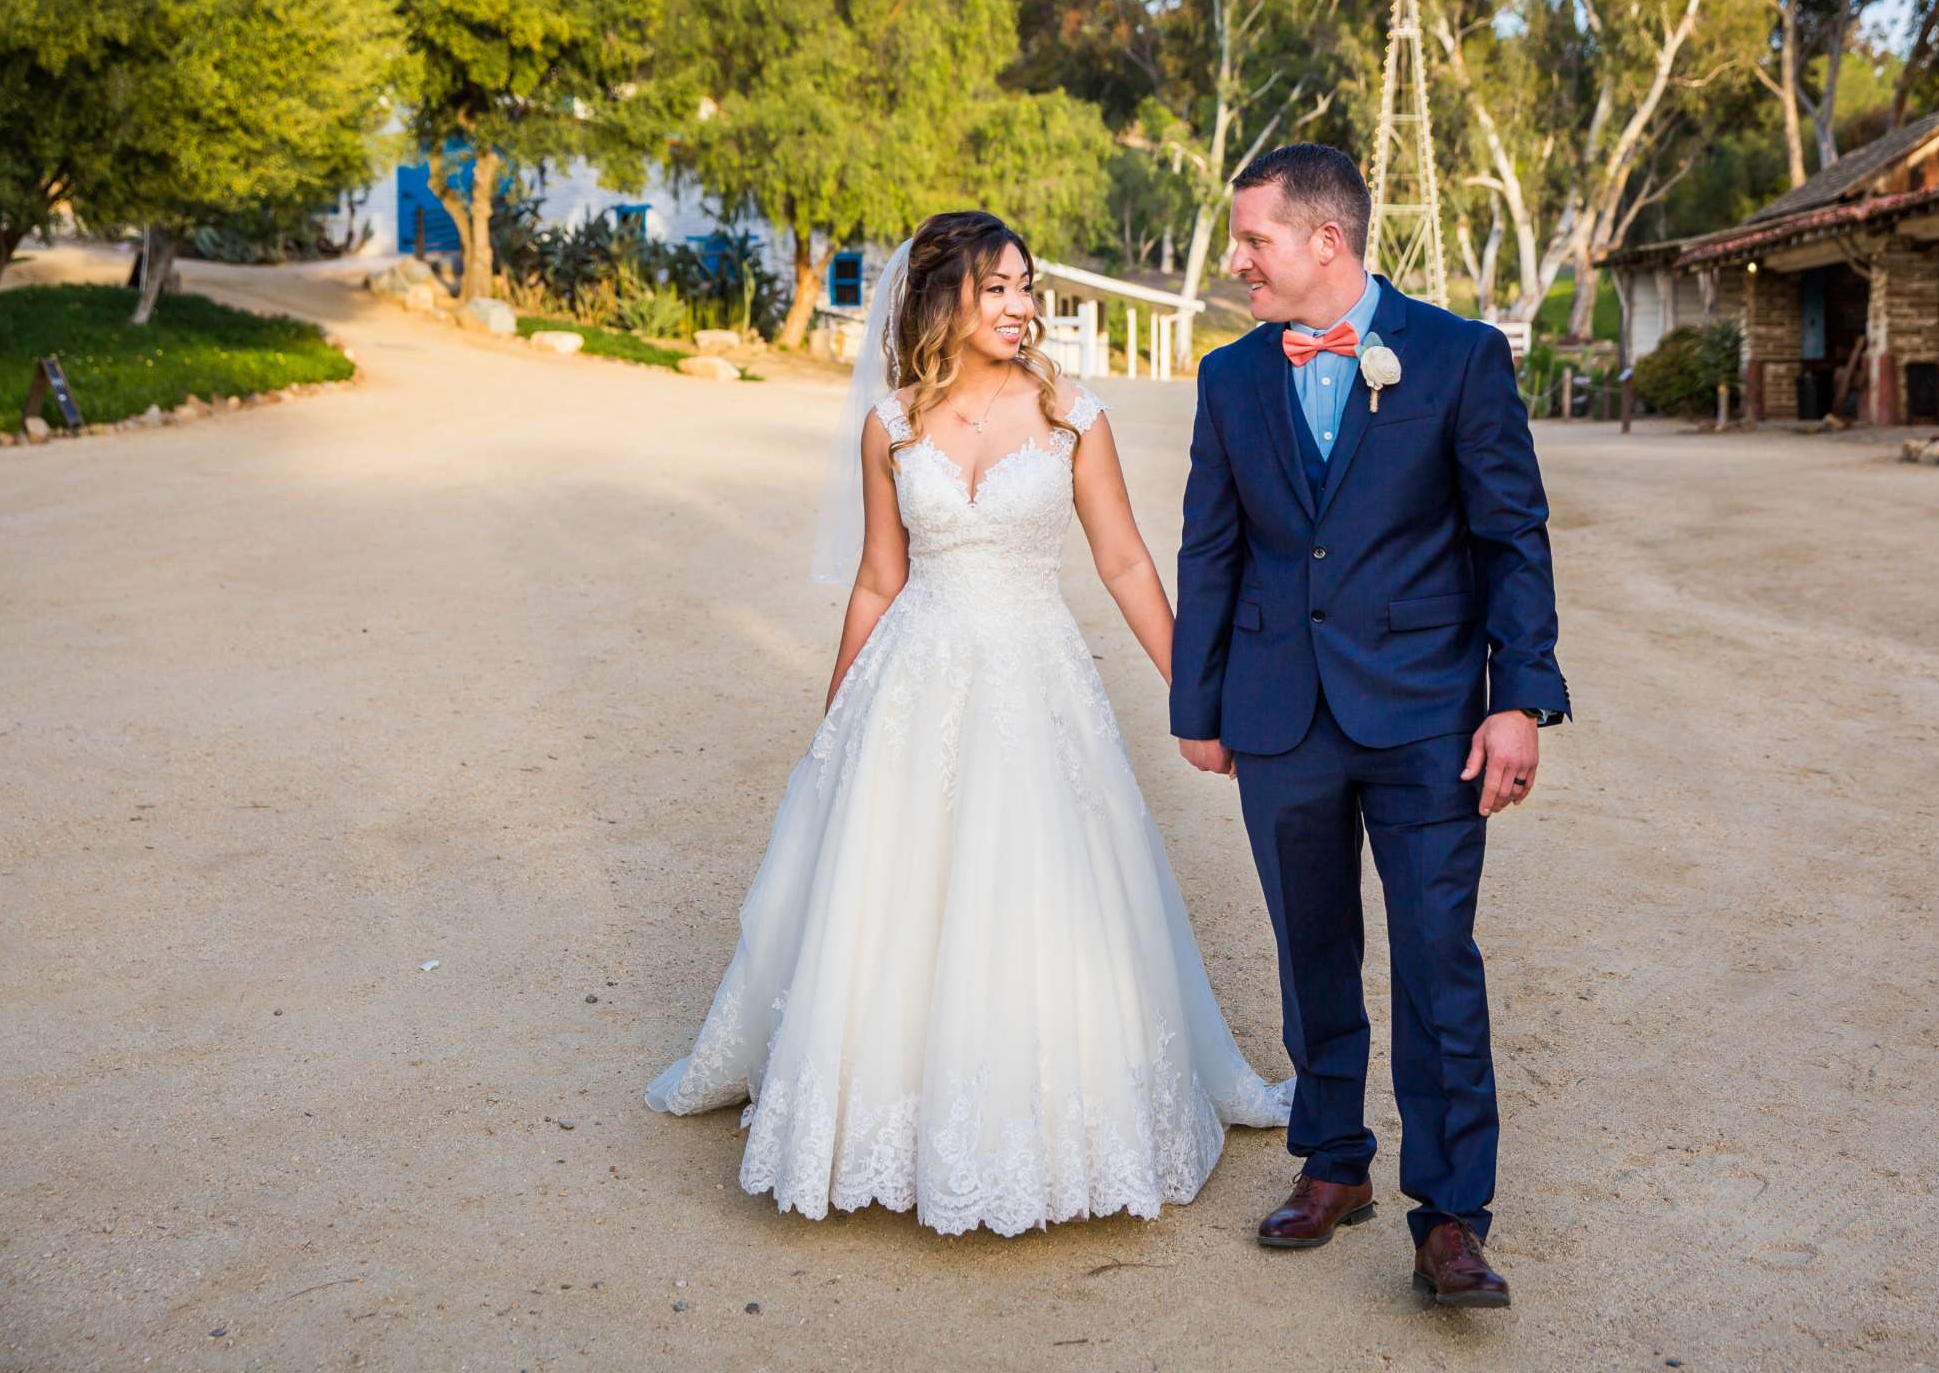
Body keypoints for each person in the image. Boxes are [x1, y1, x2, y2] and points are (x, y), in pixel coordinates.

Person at [647, 209, 1290, 1237]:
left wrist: (1194, 694)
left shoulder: (1076, 415)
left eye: (1026, 287)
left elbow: (1125, 564)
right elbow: (877, 578)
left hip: (1038, 686)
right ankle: (880, 1124)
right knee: (893, 899)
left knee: (1041, 889)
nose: (1020, 306)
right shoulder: (891, 424)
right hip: (916, 683)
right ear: (942, 297)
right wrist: (838, 717)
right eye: (997, 287)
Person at [1170, 144, 1570, 1307]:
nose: (1237, 261)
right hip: (1281, 712)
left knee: (1439, 956)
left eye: (1253, 241)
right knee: (1311, 946)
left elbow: (1514, 536)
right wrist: (1201, 703)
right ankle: (1333, 1161)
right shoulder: (1231, 375)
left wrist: (1517, 698)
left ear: (1325, 242)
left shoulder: (1458, 358)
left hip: (1429, 716)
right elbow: (1211, 543)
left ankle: (1450, 1215)